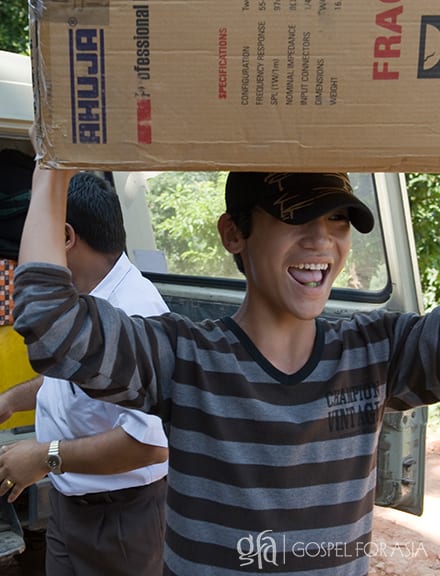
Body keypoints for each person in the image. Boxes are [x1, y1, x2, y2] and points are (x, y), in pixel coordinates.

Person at [12, 167, 440, 576]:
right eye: (296, 217)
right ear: (234, 233)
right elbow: (51, 329)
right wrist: (52, 169)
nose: (321, 239)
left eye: (338, 218)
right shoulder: (186, 359)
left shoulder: (376, 353)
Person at [0, 171, 169, 576]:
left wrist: (45, 457)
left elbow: (151, 444)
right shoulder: (83, 300)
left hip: (123, 522)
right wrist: (8, 401)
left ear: (65, 236)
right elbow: (70, 379)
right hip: (69, 507)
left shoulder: (138, 313)